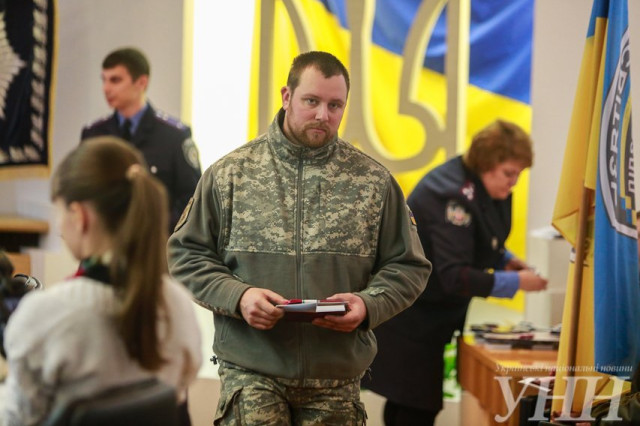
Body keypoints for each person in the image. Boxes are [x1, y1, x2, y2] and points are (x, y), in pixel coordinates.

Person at [168, 50, 431, 425]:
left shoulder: (373, 182)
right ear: (287, 96)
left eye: (335, 105)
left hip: (335, 377)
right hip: (252, 369)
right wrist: (239, 296)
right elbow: (186, 255)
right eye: (312, 101)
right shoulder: (230, 175)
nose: (323, 114)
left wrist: (368, 304)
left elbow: (408, 267)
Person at [2, 137, 202, 426]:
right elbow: (180, 390)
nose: (58, 225)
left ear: (79, 216)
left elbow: (15, 419)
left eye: (58, 211)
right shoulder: (176, 304)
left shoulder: (46, 316)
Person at [362, 120, 548, 426]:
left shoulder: (482, 185)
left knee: (408, 404)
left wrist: (505, 260)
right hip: (411, 318)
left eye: (519, 174)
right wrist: (517, 282)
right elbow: (456, 276)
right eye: (509, 173)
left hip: (428, 317)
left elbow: (482, 239)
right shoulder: (450, 196)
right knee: (415, 407)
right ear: (487, 163)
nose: (514, 183)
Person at [81, 47, 201, 232]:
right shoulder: (94, 134)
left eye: (115, 80)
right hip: (106, 240)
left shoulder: (174, 136)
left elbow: (192, 199)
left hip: (156, 242)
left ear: (141, 82)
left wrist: (157, 230)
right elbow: (83, 190)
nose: (106, 88)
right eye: (104, 80)